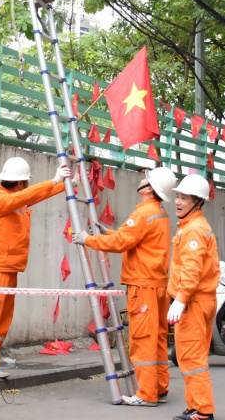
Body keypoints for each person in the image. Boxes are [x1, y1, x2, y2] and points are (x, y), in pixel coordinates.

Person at [0, 157, 70, 382]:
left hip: (8, 268)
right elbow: (27, 196)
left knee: (1, 320)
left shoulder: (15, 198)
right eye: (27, 182)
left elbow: (35, 195)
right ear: (20, 182)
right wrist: (53, 179)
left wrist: (65, 184)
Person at [74, 167, 176, 407]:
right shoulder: (159, 212)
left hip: (143, 286)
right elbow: (135, 239)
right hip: (157, 285)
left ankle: (146, 394)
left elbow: (122, 242)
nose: (142, 179)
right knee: (158, 339)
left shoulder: (144, 212)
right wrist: (108, 232)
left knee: (143, 340)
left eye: (146, 178)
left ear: (149, 188)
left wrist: (88, 239)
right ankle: (158, 389)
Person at [166, 174, 219, 420]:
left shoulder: (194, 230)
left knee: (191, 356)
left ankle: (202, 410)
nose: (177, 201)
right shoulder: (193, 226)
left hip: (193, 302)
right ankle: (195, 405)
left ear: (197, 202)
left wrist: (180, 298)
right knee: (191, 355)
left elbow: (191, 270)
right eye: (177, 196)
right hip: (200, 300)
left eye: (183, 198)